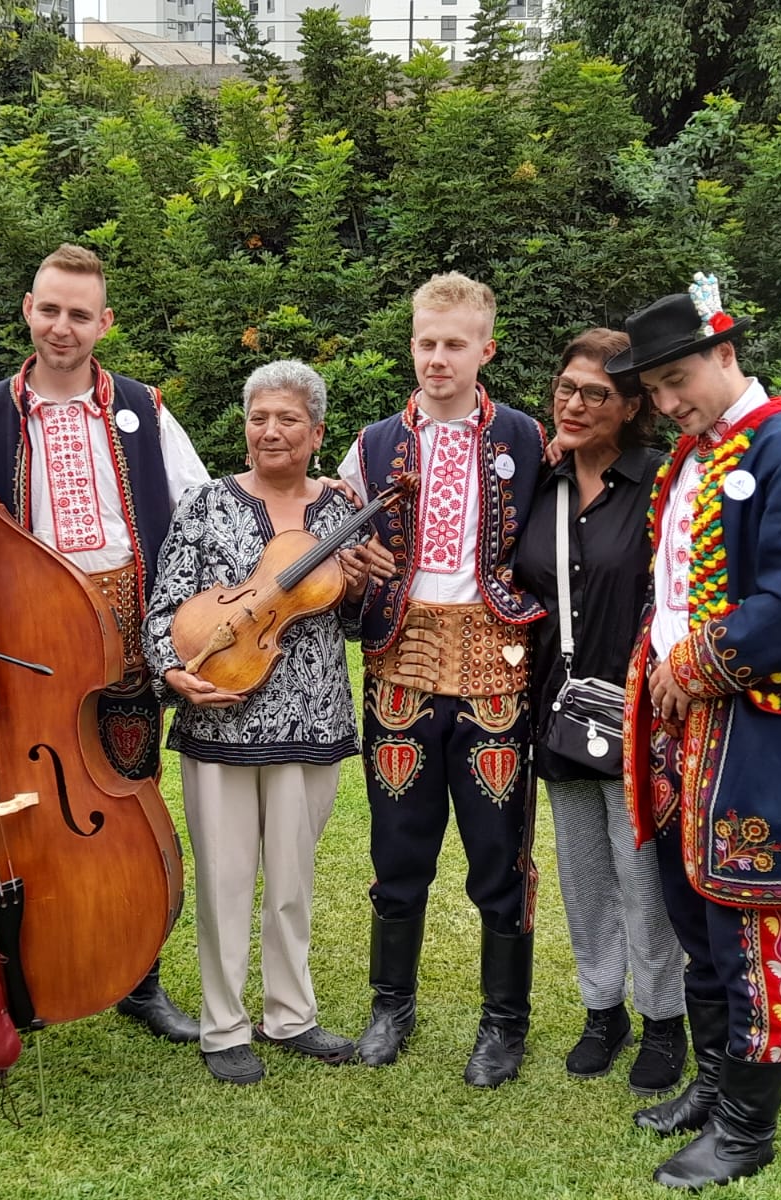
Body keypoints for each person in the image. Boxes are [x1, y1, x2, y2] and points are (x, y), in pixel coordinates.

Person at [0, 242, 209, 1080]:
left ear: (103, 323)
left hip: (124, 648)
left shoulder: (143, 409)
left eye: (79, 314)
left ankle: (136, 977)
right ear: (27, 310)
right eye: (49, 309)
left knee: (130, 817)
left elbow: (199, 514)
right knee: (5, 823)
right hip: (22, 655)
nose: (62, 326)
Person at [613, 275, 781, 1189]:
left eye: (677, 380)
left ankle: (747, 1129)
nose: (666, 403)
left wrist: (693, 665)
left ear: (726, 354)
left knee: (752, 925)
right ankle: (716, 1084)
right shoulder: (689, 457)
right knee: (694, 914)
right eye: (654, 389)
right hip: (673, 726)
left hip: (754, 727)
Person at [336, 272, 546, 1089]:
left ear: (486, 349)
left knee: (499, 850)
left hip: (497, 661)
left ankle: (504, 1021)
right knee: (398, 844)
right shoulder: (372, 443)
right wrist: (354, 562)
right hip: (402, 657)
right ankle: (391, 1006)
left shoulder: (529, 438)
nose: (437, 358)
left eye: (455, 344)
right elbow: (335, 535)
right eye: (426, 342)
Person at [144, 360, 381, 1084]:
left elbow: (355, 626)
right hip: (220, 720)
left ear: (317, 432)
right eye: (258, 418)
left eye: (287, 419)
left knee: (291, 882)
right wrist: (173, 671)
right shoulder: (205, 504)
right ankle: (223, 1026)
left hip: (311, 716)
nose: (270, 431)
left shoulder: (342, 511)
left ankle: (291, 1015)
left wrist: (359, 592)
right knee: (223, 880)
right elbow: (166, 607)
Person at [514, 328, 687, 1094]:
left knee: (642, 874)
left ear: (631, 406)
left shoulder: (662, 483)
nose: (575, 404)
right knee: (583, 873)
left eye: (596, 394)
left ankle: (664, 1019)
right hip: (557, 709)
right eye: (566, 388)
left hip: (641, 715)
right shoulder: (540, 481)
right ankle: (601, 1010)